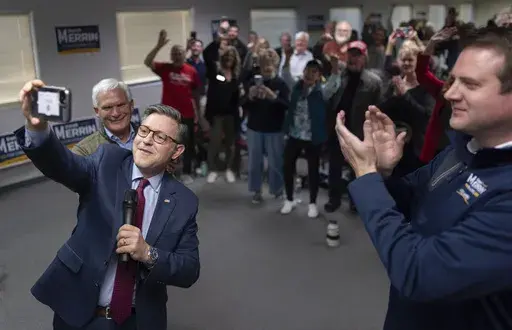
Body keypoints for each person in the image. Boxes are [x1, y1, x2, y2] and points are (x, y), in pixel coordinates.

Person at [334, 27, 512, 330]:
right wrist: (381, 172)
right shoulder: (463, 150)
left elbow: (418, 273)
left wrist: (365, 175)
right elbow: (409, 200)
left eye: (469, 84)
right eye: (454, 80)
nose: (451, 92)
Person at [17, 80, 200, 330]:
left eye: (159, 137)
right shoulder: (106, 161)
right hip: (81, 312)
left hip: (138, 319)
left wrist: (148, 253)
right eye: (144, 131)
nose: (146, 140)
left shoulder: (184, 201)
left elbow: (189, 269)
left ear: (176, 151)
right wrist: (37, 127)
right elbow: (62, 164)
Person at [72, 78, 136, 156]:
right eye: (107, 108)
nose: (115, 113)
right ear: (97, 111)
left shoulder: (152, 137)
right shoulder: (84, 151)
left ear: (131, 105)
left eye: (120, 105)